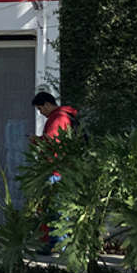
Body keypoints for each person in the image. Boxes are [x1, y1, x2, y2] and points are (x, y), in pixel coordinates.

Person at [32, 91, 79, 252]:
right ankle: (54, 244)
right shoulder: (66, 116)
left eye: (40, 109)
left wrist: (36, 140)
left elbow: (51, 141)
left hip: (56, 170)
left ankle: (59, 245)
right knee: (54, 210)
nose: (41, 113)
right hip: (63, 169)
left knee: (55, 211)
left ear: (46, 104)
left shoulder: (58, 118)